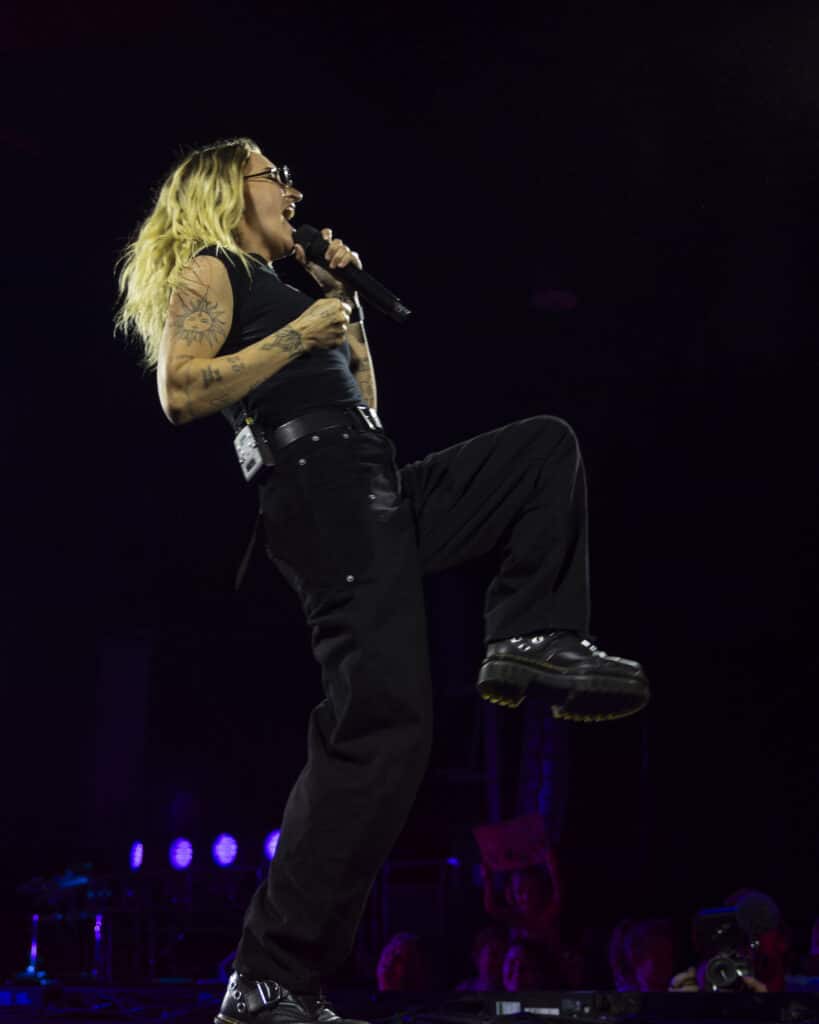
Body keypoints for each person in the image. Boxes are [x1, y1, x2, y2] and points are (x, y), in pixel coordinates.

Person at [116, 137, 651, 1024]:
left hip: (370, 480)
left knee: (539, 451)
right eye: (275, 177)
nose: (292, 192)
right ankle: (267, 978)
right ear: (227, 191)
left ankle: (533, 635)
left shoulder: (295, 290)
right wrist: (300, 330)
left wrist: (342, 303)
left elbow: (364, 407)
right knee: (377, 728)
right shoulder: (212, 269)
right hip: (317, 495)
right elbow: (179, 390)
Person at [455, 926, 507, 992]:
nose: (499, 962)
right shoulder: (464, 990)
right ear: (477, 957)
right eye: (493, 954)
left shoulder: (509, 990)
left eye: (502, 955)